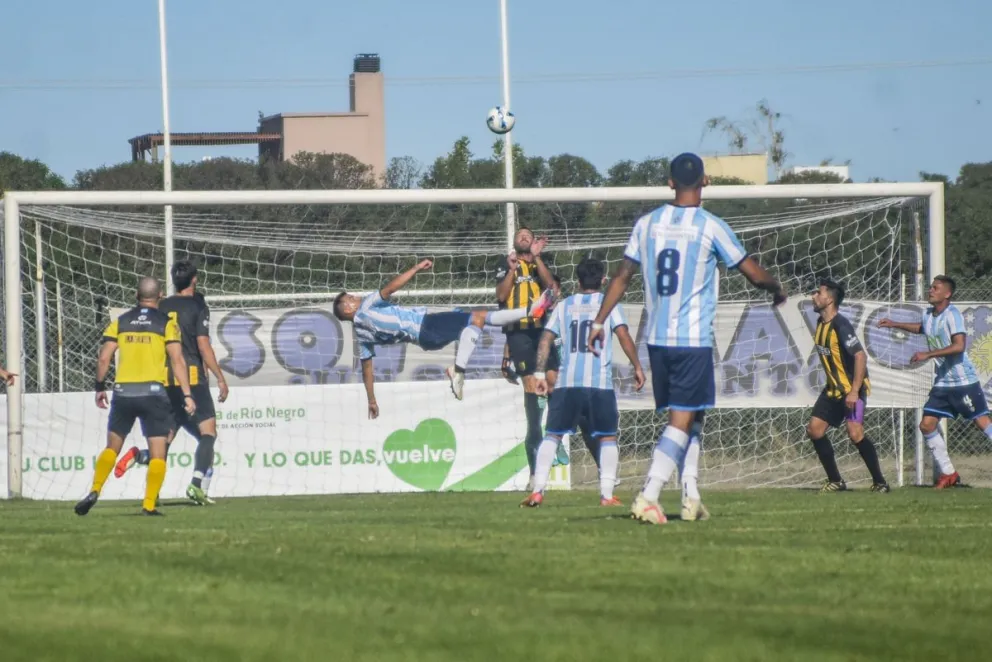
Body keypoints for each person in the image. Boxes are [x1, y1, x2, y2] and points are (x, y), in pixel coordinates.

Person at [589, 152, 787, 525]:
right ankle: (649, 495)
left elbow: (621, 276)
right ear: (705, 181)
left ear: (670, 183)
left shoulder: (646, 223)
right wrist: (777, 287)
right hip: (691, 340)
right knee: (680, 421)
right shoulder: (710, 225)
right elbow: (753, 273)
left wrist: (599, 322)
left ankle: (691, 494)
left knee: (693, 414)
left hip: (656, 338)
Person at [334, 259, 552, 418]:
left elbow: (367, 370)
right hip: (426, 326)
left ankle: (531, 311)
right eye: (350, 297)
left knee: (478, 317)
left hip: (426, 338)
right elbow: (391, 288)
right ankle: (458, 369)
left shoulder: (361, 335)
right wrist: (416, 268)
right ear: (347, 308)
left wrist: (372, 400)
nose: (355, 296)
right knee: (477, 319)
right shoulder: (366, 306)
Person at [521, 257, 646, 508]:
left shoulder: (564, 305)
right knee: (607, 438)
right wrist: (637, 366)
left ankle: (537, 491)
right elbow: (623, 335)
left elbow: (545, 339)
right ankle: (606, 495)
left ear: (577, 281)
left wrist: (539, 374)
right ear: (603, 280)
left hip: (567, 384)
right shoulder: (608, 303)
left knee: (553, 435)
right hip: (598, 384)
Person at [74, 277, 195, 517]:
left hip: (123, 392)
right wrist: (187, 394)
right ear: (160, 296)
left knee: (112, 447)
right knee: (158, 453)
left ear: (136, 296)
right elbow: (177, 361)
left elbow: (103, 358)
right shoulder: (167, 323)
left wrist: (99, 387)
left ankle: (95, 489)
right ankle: (148, 505)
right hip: (153, 393)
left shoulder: (121, 322)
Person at [114, 260, 229, 505]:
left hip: (165, 380)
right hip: (191, 377)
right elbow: (203, 346)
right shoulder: (198, 305)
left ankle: (140, 459)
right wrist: (220, 377)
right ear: (195, 279)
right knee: (208, 433)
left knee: (163, 442)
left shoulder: (162, 305)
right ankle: (197, 484)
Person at [878, 274, 992, 488]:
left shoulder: (952, 315)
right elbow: (922, 328)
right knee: (927, 425)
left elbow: (959, 346)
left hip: (963, 381)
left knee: (982, 422)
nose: (930, 290)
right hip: (943, 382)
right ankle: (949, 473)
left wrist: (928, 354)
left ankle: (949, 474)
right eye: (931, 287)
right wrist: (894, 324)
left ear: (947, 294)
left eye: (936, 288)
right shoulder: (929, 314)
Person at [807, 279, 889, 492]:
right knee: (815, 430)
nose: (814, 296)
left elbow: (860, 356)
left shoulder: (841, 325)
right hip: (832, 390)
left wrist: (853, 392)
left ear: (829, 299)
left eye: (818, 293)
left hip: (852, 390)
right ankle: (836, 481)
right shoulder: (820, 323)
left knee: (855, 433)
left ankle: (880, 482)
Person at [495, 227, 559, 487]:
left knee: (554, 385)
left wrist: (538, 258)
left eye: (528, 234)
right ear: (514, 241)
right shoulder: (506, 263)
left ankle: (555, 437)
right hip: (519, 335)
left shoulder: (540, 265)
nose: (523, 236)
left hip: (543, 333)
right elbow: (501, 296)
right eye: (519, 234)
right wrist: (512, 269)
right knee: (532, 392)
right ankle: (535, 465)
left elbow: (553, 289)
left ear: (533, 241)